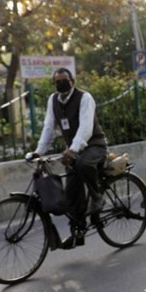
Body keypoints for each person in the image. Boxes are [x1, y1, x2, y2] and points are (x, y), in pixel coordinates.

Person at [29, 68, 108, 248]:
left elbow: (86, 128)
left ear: (72, 81)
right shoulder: (53, 100)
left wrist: (72, 150)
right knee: (72, 193)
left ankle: (97, 198)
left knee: (83, 163)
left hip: (94, 145)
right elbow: (49, 128)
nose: (61, 84)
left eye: (64, 80)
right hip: (74, 149)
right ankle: (78, 233)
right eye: (57, 81)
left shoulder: (85, 98)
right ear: (54, 84)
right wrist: (38, 151)